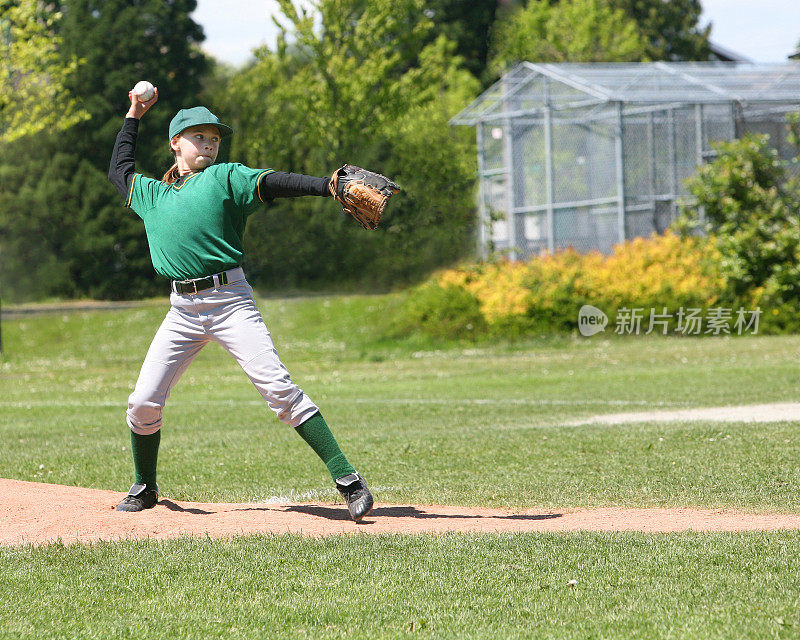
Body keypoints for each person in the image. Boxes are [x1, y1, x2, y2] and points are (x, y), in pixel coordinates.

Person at [107, 85, 373, 521]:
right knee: (142, 403)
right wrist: (134, 113)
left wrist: (327, 187)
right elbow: (119, 168)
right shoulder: (152, 195)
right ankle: (145, 484)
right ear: (176, 142)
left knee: (278, 389)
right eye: (200, 136)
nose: (210, 143)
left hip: (230, 302)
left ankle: (348, 480)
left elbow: (273, 181)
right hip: (181, 312)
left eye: (214, 137)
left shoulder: (225, 177)